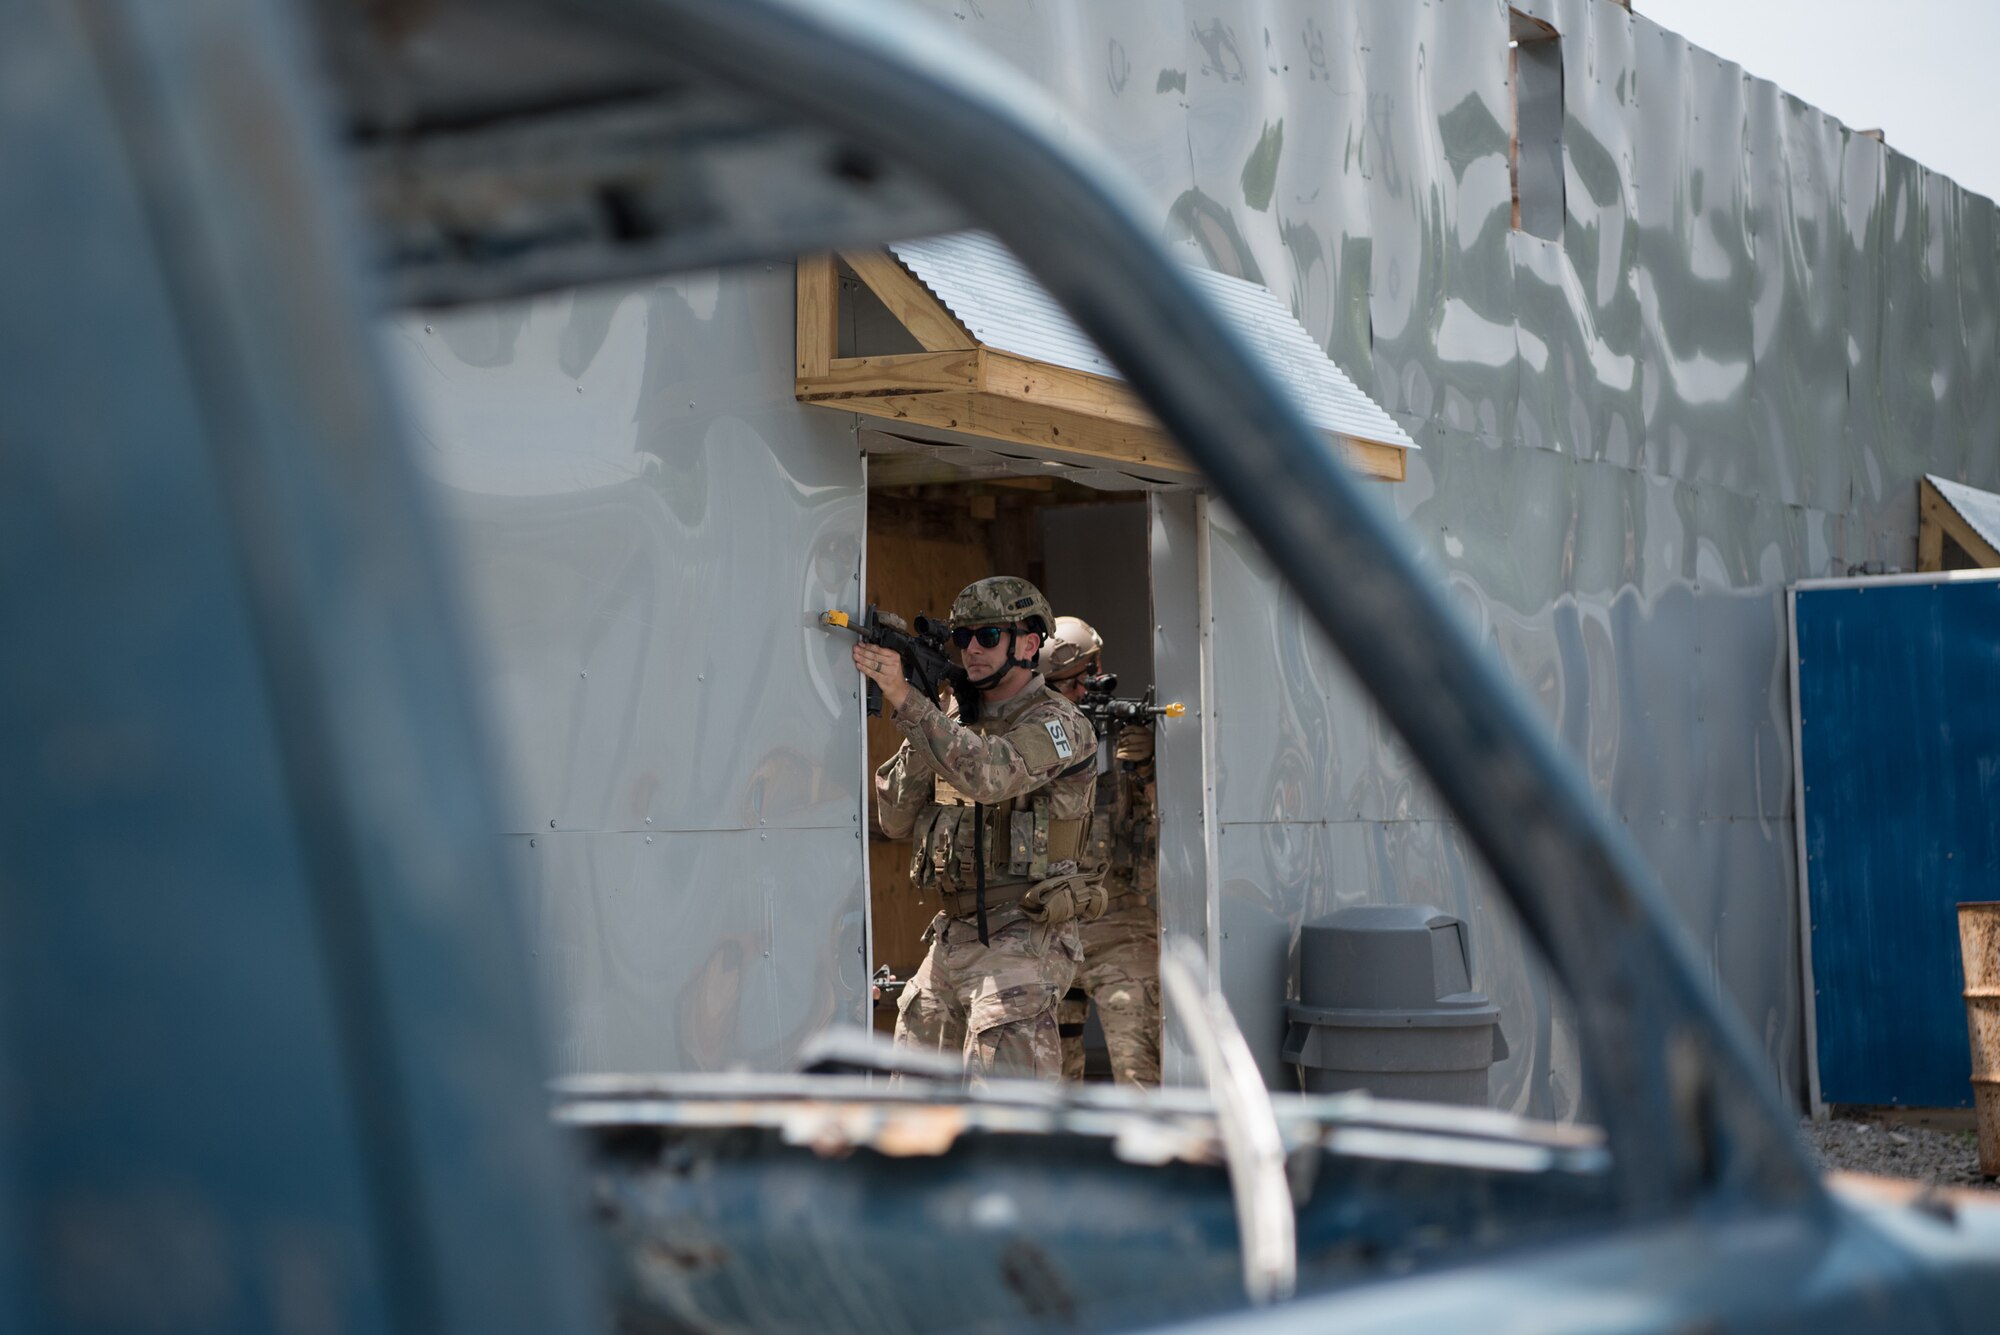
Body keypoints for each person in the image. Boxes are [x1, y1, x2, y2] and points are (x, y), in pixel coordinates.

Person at [856, 577, 1101, 1084]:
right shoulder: (950, 717)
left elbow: (993, 775)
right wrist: (927, 712)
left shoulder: (1059, 722)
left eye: (988, 636)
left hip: (1026, 935)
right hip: (953, 934)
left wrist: (908, 700)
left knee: (1007, 1127)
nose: (971, 649)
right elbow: (895, 819)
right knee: (911, 1109)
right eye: (962, 637)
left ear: (1029, 644)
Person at [1041, 616, 1162, 1087]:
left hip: (1122, 928)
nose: (1085, 688)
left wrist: (1150, 766)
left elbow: (1170, 830)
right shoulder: (1029, 734)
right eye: (1071, 682)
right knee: (1051, 1085)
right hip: (1051, 930)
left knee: (1140, 1076)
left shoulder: (1124, 729)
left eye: (1091, 673)